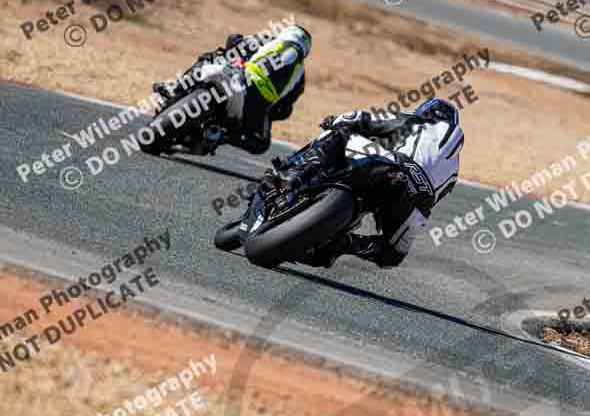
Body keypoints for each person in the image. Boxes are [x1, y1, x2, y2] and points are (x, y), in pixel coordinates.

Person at [270, 98, 464, 269]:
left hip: (395, 164)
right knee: (393, 255)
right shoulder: (454, 168)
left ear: (424, 111)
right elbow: (433, 201)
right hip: (418, 198)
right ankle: (342, 245)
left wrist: (335, 122)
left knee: (341, 134)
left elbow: (360, 118)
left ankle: (295, 173)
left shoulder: (417, 120)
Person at [153, 24, 310, 154]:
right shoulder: (300, 76)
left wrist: (231, 51)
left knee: (211, 57)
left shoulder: (265, 40)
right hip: (254, 106)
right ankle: (219, 134)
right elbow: (284, 109)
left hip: (235, 78)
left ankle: (177, 87)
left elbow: (234, 40)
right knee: (259, 143)